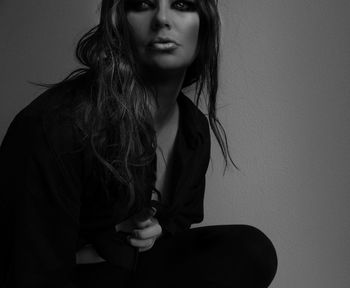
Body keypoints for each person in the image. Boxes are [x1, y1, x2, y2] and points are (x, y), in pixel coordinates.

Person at [0, 0, 277, 287]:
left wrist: (159, 229)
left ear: (203, 26)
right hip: (68, 276)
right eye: (144, 3)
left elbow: (181, 216)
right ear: (119, 20)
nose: (162, 20)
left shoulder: (192, 129)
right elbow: (29, 265)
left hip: (131, 269)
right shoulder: (57, 126)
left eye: (182, 4)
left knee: (250, 251)